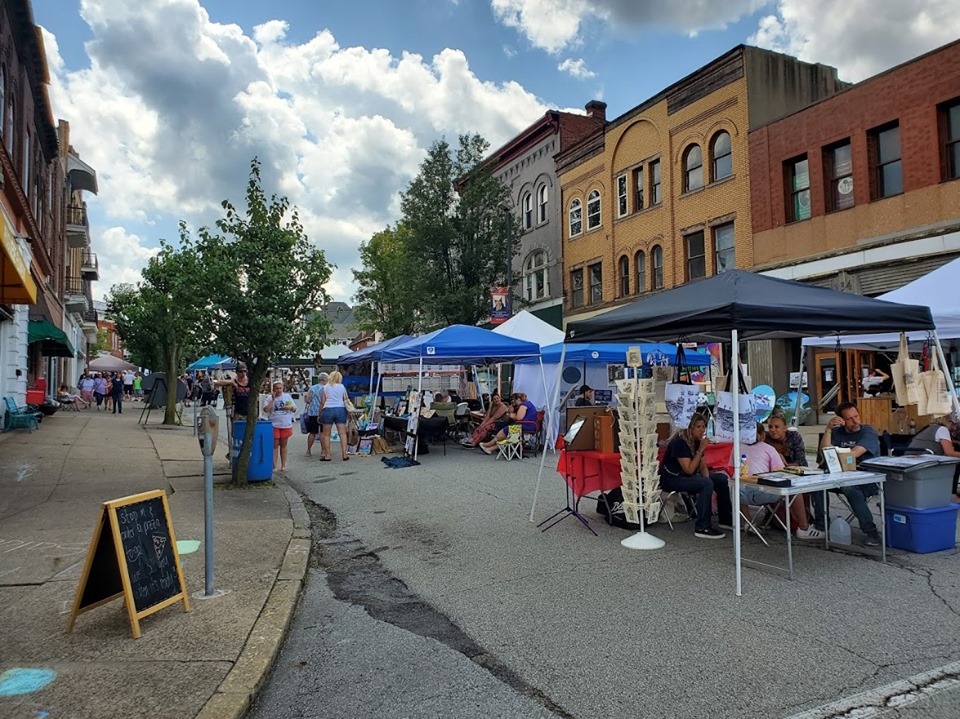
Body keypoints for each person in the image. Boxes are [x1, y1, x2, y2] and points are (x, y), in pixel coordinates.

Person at [739, 423, 822, 539]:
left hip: (739, 496)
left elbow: (733, 470)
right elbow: (780, 470)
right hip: (764, 494)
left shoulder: (737, 448)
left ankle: (748, 522)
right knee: (794, 490)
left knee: (740, 482)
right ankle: (804, 527)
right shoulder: (768, 448)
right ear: (763, 435)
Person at [658, 413, 733, 540]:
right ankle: (702, 526)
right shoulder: (679, 442)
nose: (702, 430)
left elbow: (703, 466)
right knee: (705, 484)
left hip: (688, 477)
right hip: (672, 479)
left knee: (720, 479)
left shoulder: (697, 442)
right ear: (690, 427)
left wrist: (707, 479)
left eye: (704, 426)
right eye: (698, 427)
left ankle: (725, 519)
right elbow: (689, 469)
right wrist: (700, 451)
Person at [820, 402, 882, 546]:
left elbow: (854, 454)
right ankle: (820, 524)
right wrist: (828, 429)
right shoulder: (837, 432)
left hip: (867, 478)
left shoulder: (868, 431)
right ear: (841, 420)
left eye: (856, 416)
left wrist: (835, 456)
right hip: (840, 475)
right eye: (849, 418)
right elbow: (824, 453)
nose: (855, 421)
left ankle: (871, 531)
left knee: (850, 488)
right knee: (816, 485)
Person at [909, 416, 960, 502]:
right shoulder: (942, 429)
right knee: (956, 462)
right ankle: (952, 494)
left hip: (912, 459)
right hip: (926, 462)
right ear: (948, 421)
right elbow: (949, 453)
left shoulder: (928, 428)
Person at [263, 381, 296, 472]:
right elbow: (266, 410)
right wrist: (273, 400)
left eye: (280, 388)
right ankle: (274, 466)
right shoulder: (269, 398)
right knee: (275, 445)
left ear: (283, 388)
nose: (278, 390)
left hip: (285, 424)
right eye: (276, 388)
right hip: (274, 424)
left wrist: (291, 408)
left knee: (284, 444)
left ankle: (283, 465)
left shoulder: (287, 397)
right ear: (273, 389)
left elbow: (294, 408)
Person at [319, 370, 351, 462]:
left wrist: (320, 414)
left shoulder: (325, 387)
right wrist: (349, 413)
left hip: (328, 409)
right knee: (342, 433)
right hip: (340, 409)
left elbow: (322, 402)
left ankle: (327, 455)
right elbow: (346, 400)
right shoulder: (342, 387)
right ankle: (344, 454)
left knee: (326, 434)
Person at [304, 372, 329, 457]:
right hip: (323, 412)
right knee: (322, 432)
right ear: (325, 380)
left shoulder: (312, 388)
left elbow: (307, 400)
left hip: (312, 412)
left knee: (312, 432)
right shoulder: (326, 388)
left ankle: (308, 450)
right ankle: (323, 451)